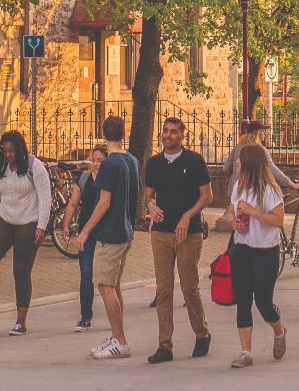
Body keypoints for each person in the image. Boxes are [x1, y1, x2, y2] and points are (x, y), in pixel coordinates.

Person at [144, 117, 213, 364]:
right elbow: (149, 195)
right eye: (165, 131)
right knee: (163, 289)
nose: (168, 136)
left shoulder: (194, 161)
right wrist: (150, 206)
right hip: (161, 233)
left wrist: (187, 215)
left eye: (173, 132)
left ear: (182, 136)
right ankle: (165, 345)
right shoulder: (153, 163)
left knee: (188, 287)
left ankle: (202, 333)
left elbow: (207, 196)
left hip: (189, 233)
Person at [76, 116, 141, 360]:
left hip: (110, 233)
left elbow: (104, 202)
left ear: (103, 134)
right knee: (114, 285)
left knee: (104, 286)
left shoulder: (110, 164)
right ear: (123, 134)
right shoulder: (131, 161)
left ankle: (120, 340)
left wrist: (85, 232)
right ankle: (118, 336)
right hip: (125, 230)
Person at [0, 131, 50, 334]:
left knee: (21, 270)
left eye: (11, 151)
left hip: (29, 221)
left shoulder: (35, 167)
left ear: (20, 149)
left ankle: (20, 321)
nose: (8, 155)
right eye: (5, 151)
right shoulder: (2, 167)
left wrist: (41, 227)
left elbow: (45, 198)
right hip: (5, 218)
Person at [225, 144, 287, 369]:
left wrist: (253, 212)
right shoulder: (239, 186)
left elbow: (278, 220)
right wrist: (233, 222)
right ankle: (245, 352)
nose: (236, 163)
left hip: (265, 251)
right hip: (241, 249)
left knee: (263, 302)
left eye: (240, 160)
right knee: (243, 301)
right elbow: (230, 210)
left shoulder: (270, 189)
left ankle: (279, 330)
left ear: (250, 163)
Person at [62, 144, 106, 332]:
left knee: (106, 277)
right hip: (84, 233)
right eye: (93, 160)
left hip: (105, 233)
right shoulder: (85, 178)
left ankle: (115, 314)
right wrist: (66, 225)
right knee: (86, 275)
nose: (95, 164)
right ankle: (85, 315)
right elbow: (73, 204)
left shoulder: (110, 179)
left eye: (100, 161)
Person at [225, 120, 295, 189]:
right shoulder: (260, 150)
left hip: (234, 188)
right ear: (258, 133)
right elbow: (272, 169)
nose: (264, 133)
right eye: (263, 131)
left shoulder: (238, 147)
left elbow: (226, 168)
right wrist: (291, 183)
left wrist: (235, 175)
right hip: (250, 190)